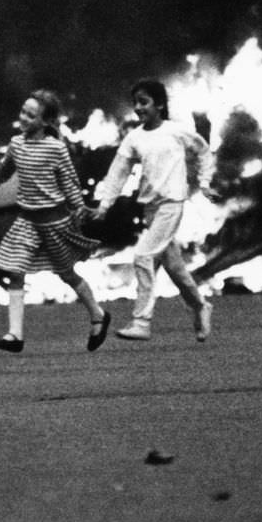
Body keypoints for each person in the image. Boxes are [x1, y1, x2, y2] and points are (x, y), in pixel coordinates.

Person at [0, 90, 112, 354]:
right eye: (23, 112)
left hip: (55, 222)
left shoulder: (56, 148)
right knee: (14, 270)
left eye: (31, 115)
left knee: (66, 273)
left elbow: (69, 181)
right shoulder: (16, 144)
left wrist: (79, 207)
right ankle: (14, 335)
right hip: (27, 221)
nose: (23, 118)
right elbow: (0, 173)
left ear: (46, 122)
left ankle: (98, 315)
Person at [93, 79, 215, 342]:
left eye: (144, 102)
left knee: (143, 256)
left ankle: (142, 322)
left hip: (171, 205)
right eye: (136, 102)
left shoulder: (176, 132)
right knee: (175, 268)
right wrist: (104, 205)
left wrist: (204, 183)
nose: (138, 108)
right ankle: (200, 306)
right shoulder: (134, 138)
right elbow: (118, 173)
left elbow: (204, 151)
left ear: (159, 104)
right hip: (151, 208)